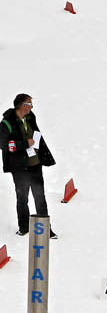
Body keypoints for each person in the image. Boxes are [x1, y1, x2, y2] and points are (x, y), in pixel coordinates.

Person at [1, 93, 57, 238]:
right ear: (22, 105)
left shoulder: (31, 117)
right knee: (22, 197)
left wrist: (40, 150)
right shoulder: (7, 123)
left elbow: (36, 135)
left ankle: (46, 229)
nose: (32, 107)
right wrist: (25, 144)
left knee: (40, 197)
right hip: (19, 168)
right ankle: (24, 227)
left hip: (35, 164)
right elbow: (4, 145)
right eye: (30, 104)